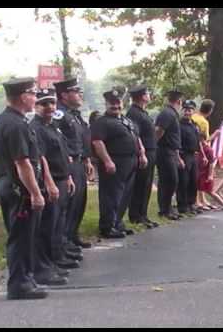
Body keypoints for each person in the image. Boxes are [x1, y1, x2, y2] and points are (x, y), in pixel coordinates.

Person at [0, 77, 49, 299]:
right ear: (23, 96)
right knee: (20, 236)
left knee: (25, 236)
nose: (35, 99)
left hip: (12, 184)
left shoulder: (11, 120)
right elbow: (22, 162)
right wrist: (35, 193)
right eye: (33, 94)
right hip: (17, 187)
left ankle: (26, 277)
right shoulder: (15, 124)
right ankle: (19, 284)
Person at [30, 89, 77, 282]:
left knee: (59, 222)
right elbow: (41, 158)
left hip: (61, 179)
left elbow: (62, 154)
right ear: (36, 106)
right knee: (48, 226)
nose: (50, 107)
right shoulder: (36, 127)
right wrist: (49, 183)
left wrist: (68, 177)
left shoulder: (52, 126)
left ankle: (57, 258)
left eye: (52, 103)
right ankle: (46, 266)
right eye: (44, 104)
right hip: (50, 182)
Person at [91, 87, 148, 239]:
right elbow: (98, 142)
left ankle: (117, 223)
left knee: (124, 194)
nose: (115, 106)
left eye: (118, 103)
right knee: (111, 195)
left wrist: (142, 153)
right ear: (106, 104)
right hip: (115, 161)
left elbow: (137, 137)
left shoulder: (126, 120)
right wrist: (107, 161)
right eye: (112, 103)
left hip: (131, 161)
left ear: (122, 103)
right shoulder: (102, 122)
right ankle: (107, 226)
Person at [53, 77, 94, 250]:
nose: (79, 95)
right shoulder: (59, 114)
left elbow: (81, 139)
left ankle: (72, 235)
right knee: (68, 203)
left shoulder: (74, 115)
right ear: (64, 95)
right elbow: (56, 138)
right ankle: (64, 241)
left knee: (79, 202)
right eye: (75, 92)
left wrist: (87, 159)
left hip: (79, 161)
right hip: (67, 163)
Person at [126, 85, 159, 229]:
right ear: (141, 96)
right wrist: (141, 152)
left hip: (151, 151)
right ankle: (136, 215)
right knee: (140, 185)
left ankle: (143, 214)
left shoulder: (143, 112)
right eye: (147, 93)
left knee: (146, 185)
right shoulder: (134, 113)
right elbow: (135, 134)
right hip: (143, 152)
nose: (149, 95)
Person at [155, 90, 184, 220]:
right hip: (164, 150)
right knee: (169, 180)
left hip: (171, 151)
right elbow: (159, 130)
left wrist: (177, 156)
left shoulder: (172, 114)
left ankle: (167, 207)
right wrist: (154, 144)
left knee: (171, 180)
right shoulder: (167, 113)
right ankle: (164, 209)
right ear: (179, 101)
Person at [176, 100, 201, 215]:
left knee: (193, 180)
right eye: (185, 110)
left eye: (190, 110)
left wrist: (202, 154)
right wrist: (179, 157)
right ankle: (182, 205)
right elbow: (177, 142)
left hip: (193, 155)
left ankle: (191, 203)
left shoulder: (195, 125)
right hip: (184, 154)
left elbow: (199, 140)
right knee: (184, 181)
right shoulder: (179, 125)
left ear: (193, 111)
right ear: (183, 111)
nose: (187, 112)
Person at [197, 133, 223, 210]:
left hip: (206, 173)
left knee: (210, 191)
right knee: (199, 188)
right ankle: (200, 203)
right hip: (201, 173)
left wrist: (210, 175)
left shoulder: (208, 149)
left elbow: (211, 163)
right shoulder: (200, 149)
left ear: (202, 139)